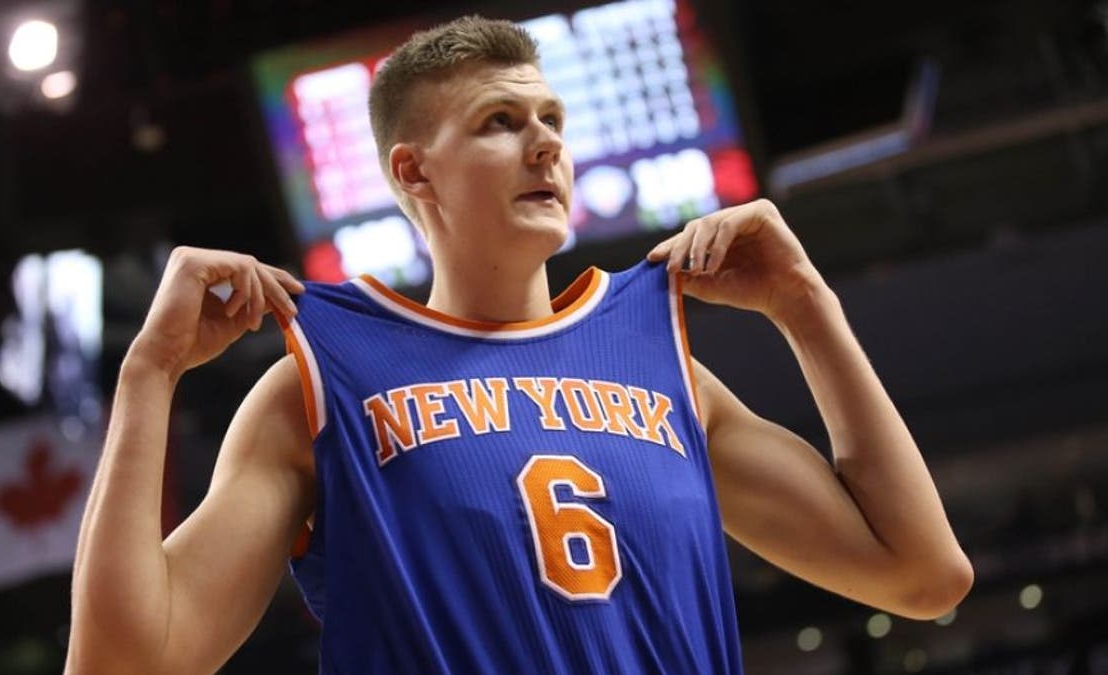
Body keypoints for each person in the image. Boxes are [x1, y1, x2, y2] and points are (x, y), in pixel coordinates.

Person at [65, 16, 973, 674]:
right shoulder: (319, 383)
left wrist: (807, 308)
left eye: (552, 122)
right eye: (501, 123)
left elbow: (924, 574)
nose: (545, 146)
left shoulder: (668, 370)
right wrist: (147, 377)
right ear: (413, 171)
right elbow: (121, 663)